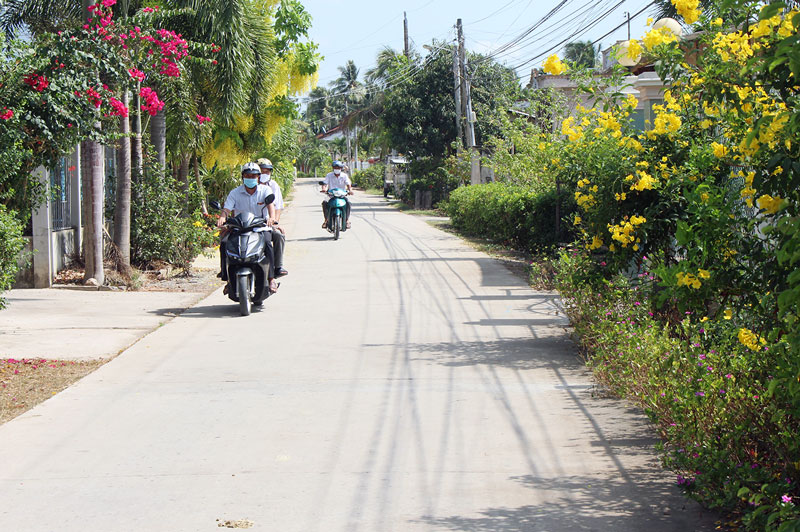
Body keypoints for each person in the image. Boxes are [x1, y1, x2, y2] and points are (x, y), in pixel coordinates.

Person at [217, 162, 279, 293]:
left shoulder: (265, 190)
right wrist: (223, 217)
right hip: (239, 228)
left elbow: (270, 206)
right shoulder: (235, 192)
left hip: (260, 227)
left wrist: (272, 218)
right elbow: (227, 209)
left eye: (254, 176)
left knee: (268, 244)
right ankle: (227, 277)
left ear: (258, 177)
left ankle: (271, 278)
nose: (251, 178)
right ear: (243, 177)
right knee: (224, 243)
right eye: (247, 175)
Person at [257, 158, 288, 277]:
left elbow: (278, 206)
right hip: (249, 223)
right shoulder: (248, 186)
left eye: (267, 172)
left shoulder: (273, 186)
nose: (265, 174)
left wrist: (275, 222)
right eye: (262, 171)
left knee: (279, 235)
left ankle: (278, 266)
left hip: (267, 223)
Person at [321, 160, 352, 229]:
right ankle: (326, 220)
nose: (337, 169)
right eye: (335, 168)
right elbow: (325, 183)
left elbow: (348, 184)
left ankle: (347, 220)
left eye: (338, 168)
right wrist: (324, 189)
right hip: (331, 195)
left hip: (342, 195)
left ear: (341, 169)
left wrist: (350, 190)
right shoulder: (329, 175)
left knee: (348, 203)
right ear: (333, 168)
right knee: (324, 203)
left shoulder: (344, 176)